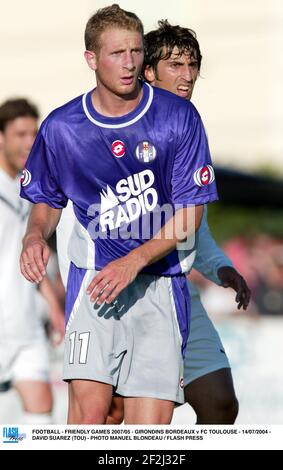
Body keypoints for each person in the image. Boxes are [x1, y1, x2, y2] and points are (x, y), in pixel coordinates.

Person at [20, 4, 218, 425]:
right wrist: (35, 236)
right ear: (91, 58)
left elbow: (190, 216)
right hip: (92, 284)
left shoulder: (178, 117)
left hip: (161, 287)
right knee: (89, 421)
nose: (129, 64)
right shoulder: (61, 127)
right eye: (117, 54)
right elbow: (46, 199)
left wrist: (133, 261)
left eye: (135, 52)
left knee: (148, 435)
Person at [106, 20, 251, 425]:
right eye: (175, 65)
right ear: (148, 71)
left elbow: (193, 224)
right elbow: (88, 212)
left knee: (221, 404)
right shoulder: (117, 124)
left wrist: (221, 267)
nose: (187, 76)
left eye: (193, 65)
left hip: (177, 291)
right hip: (123, 293)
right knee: (120, 416)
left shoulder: (190, 127)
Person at [0, 98, 65, 424]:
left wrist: (54, 308)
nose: (29, 143)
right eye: (20, 134)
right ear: (1, 137)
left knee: (41, 418)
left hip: (26, 328)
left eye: (33, 135)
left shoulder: (31, 190)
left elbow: (31, 259)